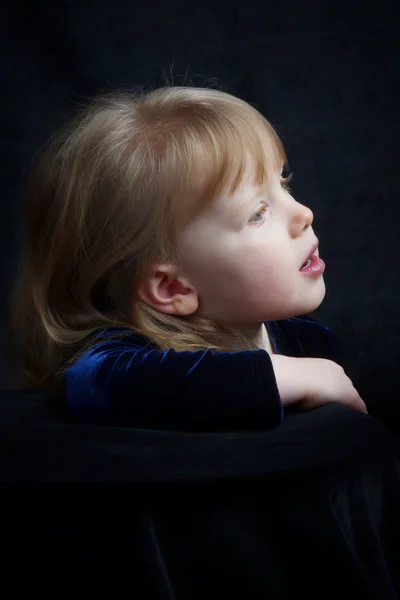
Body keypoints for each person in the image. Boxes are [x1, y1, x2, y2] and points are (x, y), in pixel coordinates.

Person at [6, 84, 367, 428]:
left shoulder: (310, 344)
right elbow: (97, 384)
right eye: (258, 213)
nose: (304, 214)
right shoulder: (122, 359)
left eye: (283, 184)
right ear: (172, 287)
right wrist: (282, 375)